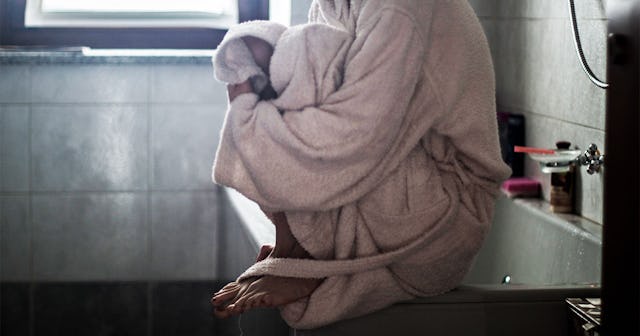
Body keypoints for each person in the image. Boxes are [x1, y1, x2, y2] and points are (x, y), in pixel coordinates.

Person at [211, 0, 512, 329]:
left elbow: (355, 141)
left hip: (445, 223)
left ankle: (304, 249)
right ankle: (292, 242)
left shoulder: (400, 8)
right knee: (259, 48)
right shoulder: (334, 5)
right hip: (403, 197)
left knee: (298, 51)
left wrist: (246, 120)